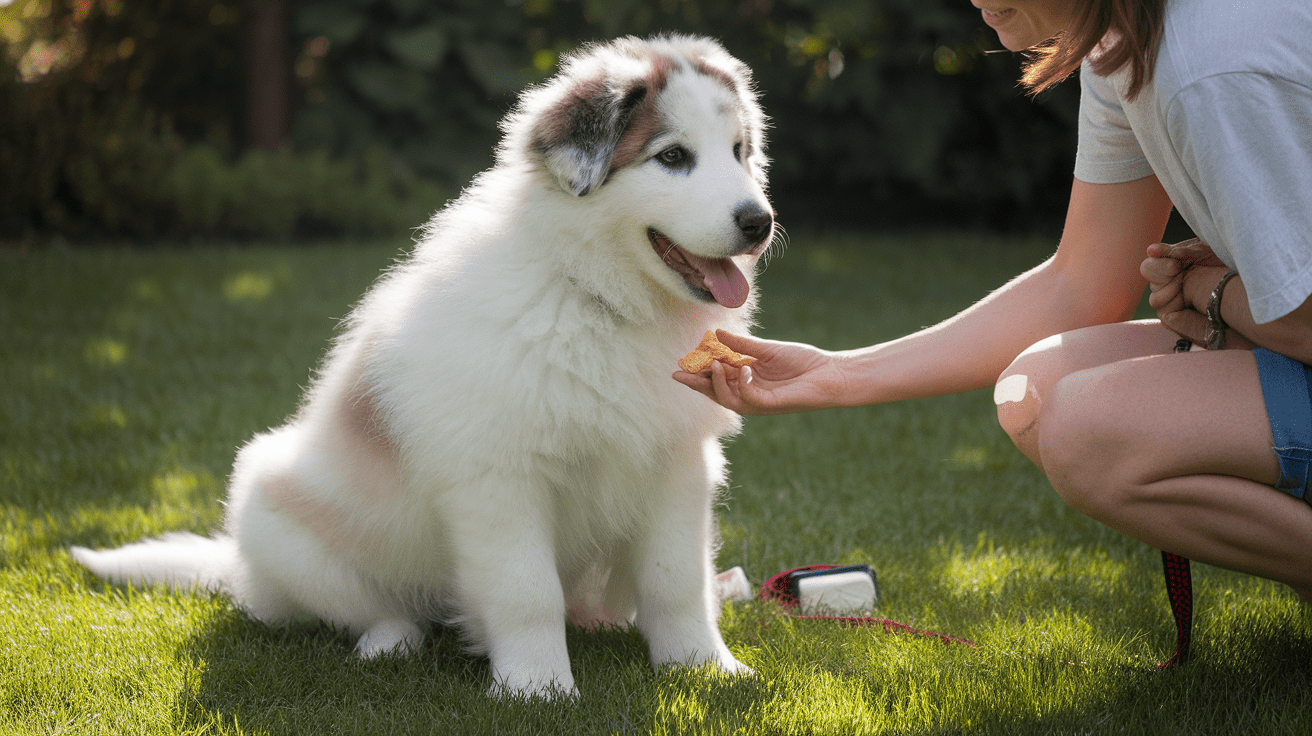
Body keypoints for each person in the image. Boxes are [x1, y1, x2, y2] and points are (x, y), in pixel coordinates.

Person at [675, 0, 1312, 599]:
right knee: (1035, 391)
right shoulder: (1127, 43)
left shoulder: (1210, 70)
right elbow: (1082, 285)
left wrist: (1213, 290)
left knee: (1088, 428)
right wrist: (835, 374)